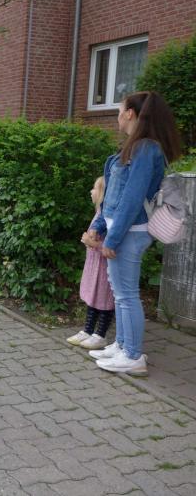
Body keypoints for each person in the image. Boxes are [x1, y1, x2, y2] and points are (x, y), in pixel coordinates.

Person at [87, 91, 181, 376]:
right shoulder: (135, 147)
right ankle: (122, 345)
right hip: (121, 230)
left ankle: (133, 355)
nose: (117, 116)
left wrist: (113, 239)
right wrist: (99, 228)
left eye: (120, 110)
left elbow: (132, 197)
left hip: (130, 232)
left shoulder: (146, 149)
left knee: (126, 295)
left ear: (130, 114)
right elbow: (112, 197)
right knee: (120, 293)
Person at [68, 176, 115, 349]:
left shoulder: (108, 217)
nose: (91, 191)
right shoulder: (98, 215)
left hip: (104, 267)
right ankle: (87, 330)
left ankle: (100, 334)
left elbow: (113, 246)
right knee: (93, 297)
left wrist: (92, 243)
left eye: (95, 188)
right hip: (94, 266)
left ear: (103, 193)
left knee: (105, 299)